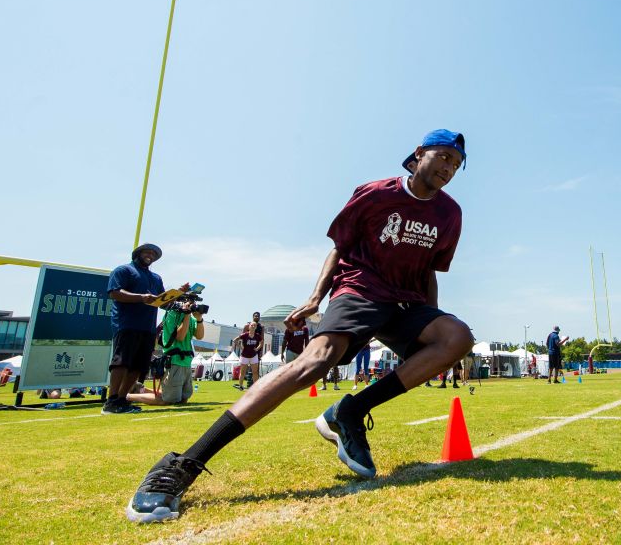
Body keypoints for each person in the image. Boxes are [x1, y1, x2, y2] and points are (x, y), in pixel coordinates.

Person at [125, 129, 473, 522]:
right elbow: (339, 248)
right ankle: (184, 464)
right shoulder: (376, 194)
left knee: (457, 336)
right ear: (419, 154)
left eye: (456, 164)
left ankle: (350, 412)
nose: (449, 167)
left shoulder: (451, 213)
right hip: (360, 290)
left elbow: (429, 269)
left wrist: (431, 322)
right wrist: (314, 299)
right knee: (314, 363)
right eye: (443, 156)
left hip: (405, 301)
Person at [106, 244, 188, 415]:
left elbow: (164, 303)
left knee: (139, 366)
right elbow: (114, 293)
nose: (150, 255)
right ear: (137, 254)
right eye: (147, 252)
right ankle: (111, 401)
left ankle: (122, 399)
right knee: (122, 362)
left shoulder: (156, 278)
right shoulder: (124, 270)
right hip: (127, 324)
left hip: (148, 328)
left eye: (154, 254)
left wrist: (178, 294)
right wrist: (141, 297)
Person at [127, 295, 205, 407]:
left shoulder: (191, 318)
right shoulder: (172, 315)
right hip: (174, 361)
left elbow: (200, 336)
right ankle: (127, 396)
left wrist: (199, 319)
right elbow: (180, 336)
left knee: (182, 400)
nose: (192, 305)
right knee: (167, 400)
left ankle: (139, 389)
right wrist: (187, 314)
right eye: (190, 302)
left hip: (186, 362)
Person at [232, 314, 265, 391]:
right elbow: (235, 340)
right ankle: (240, 386)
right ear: (249, 326)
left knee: (255, 372)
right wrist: (240, 347)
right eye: (252, 325)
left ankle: (256, 387)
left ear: (256, 327)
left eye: (254, 326)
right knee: (243, 372)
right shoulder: (245, 335)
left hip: (253, 356)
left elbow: (261, 342)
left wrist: (257, 348)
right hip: (245, 356)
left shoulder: (257, 335)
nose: (253, 327)